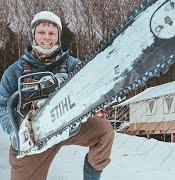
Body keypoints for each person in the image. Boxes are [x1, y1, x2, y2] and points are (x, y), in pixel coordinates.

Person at [0, 11, 114, 180]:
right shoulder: (14, 71)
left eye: (52, 33)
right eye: (41, 32)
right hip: (34, 139)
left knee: (103, 130)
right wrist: (16, 130)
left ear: (58, 36)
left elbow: (89, 89)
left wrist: (93, 107)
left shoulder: (72, 65)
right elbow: (2, 107)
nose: (47, 37)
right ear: (33, 34)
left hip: (67, 127)